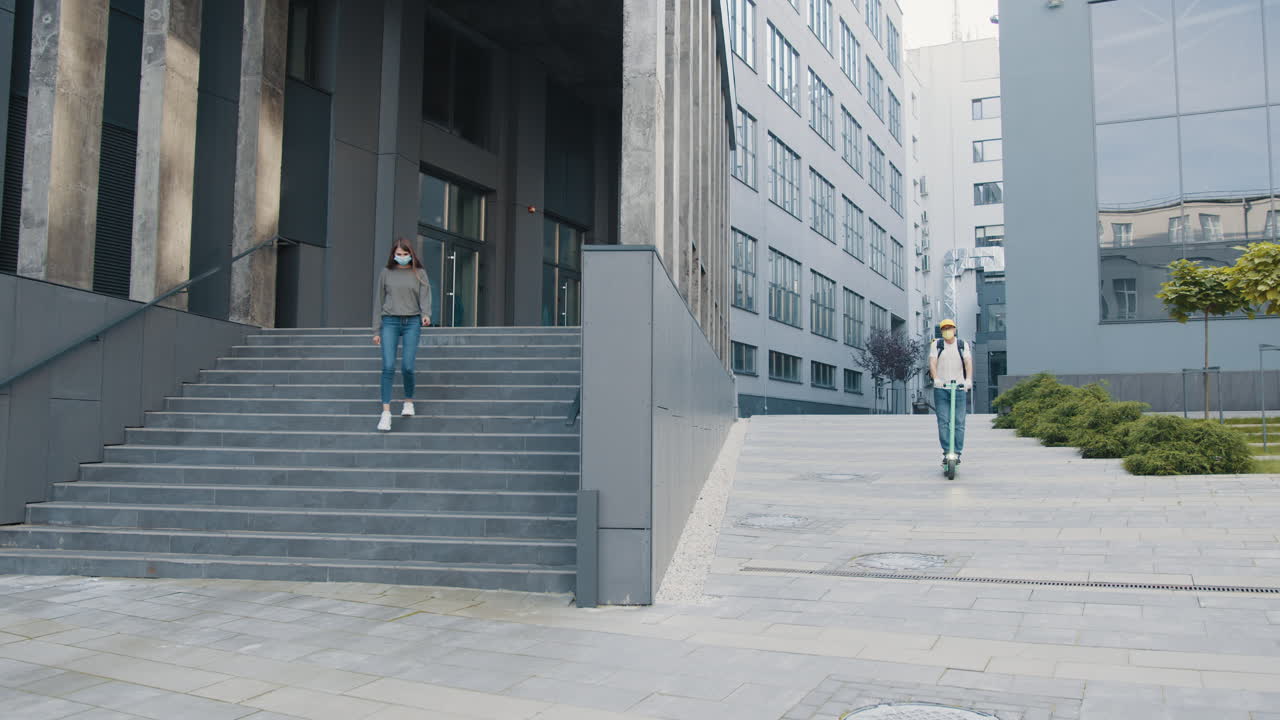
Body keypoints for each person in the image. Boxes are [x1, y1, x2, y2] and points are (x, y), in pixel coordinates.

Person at [372, 238, 433, 432]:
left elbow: (425, 296)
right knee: (388, 366)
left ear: (411, 254)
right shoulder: (386, 273)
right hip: (390, 321)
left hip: (412, 322)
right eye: (399, 254)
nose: (402, 257)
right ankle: (386, 413)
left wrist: (426, 315)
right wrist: (376, 330)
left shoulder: (419, 273)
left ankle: (408, 401)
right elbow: (378, 301)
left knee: (407, 366)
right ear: (393, 255)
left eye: (405, 254)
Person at [928, 318, 973, 464]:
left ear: (954, 329)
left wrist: (968, 380)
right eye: (944, 328)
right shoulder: (937, 344)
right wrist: (936, 379)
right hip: (941, 389)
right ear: (941, 331)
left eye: (950, 328)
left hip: (959, 388)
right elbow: (932, 362)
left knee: (959, 422)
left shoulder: (962, 344)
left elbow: (967, 362)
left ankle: (957, 452)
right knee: (943, 421)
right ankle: (947, 452)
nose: (947, 330)